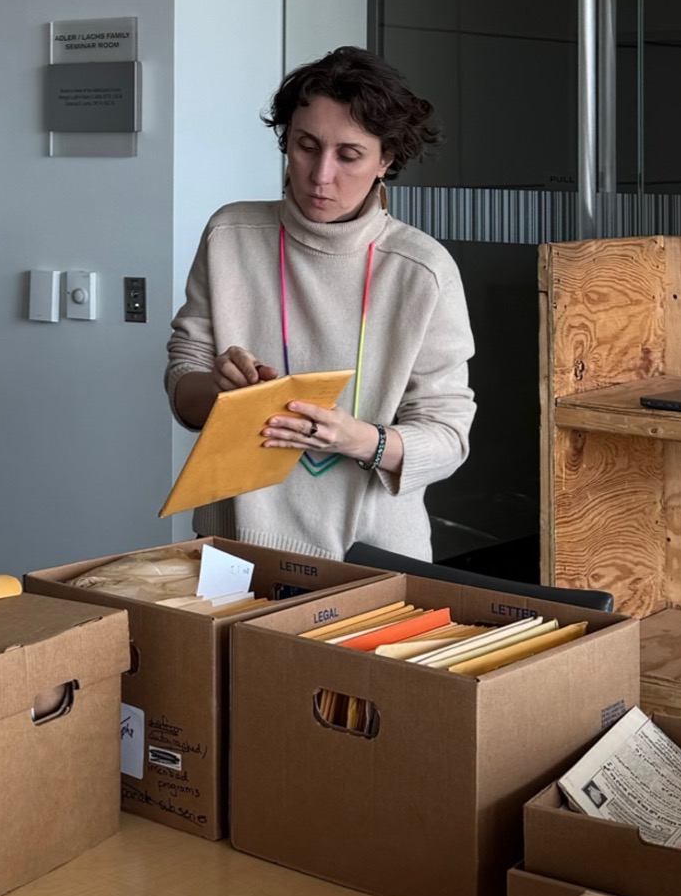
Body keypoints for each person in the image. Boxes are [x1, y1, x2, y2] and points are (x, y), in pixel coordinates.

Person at [165, 47, 475, 561]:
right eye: (306, 145)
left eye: (349, 155)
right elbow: (184, 388)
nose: (320, 174)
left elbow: (448, 437)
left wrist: (360, 440)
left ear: (386, 159)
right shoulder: (231, 235)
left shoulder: (422, 270)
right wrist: (220, 389)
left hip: (372, 555)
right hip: (233, 550)